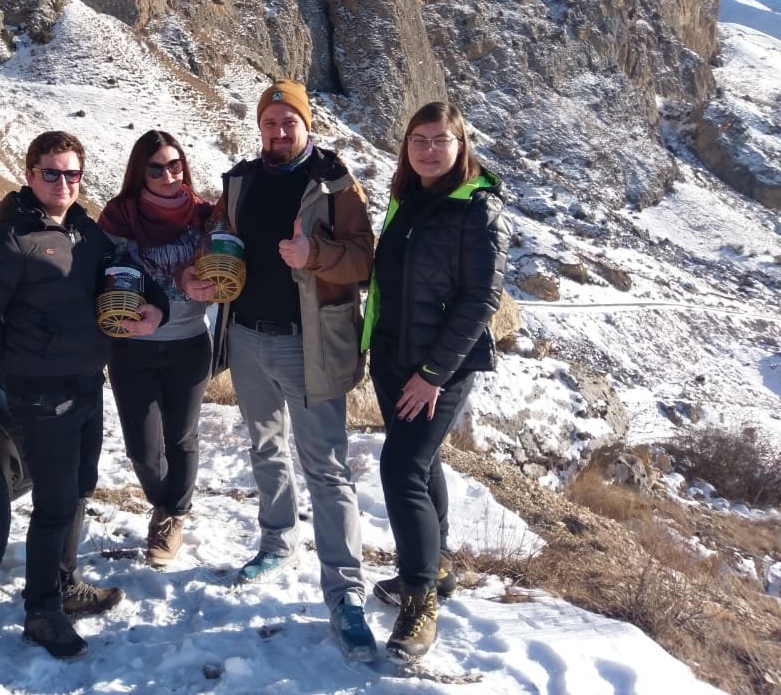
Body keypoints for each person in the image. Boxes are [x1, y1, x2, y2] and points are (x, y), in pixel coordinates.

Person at [182, 80, 379, 662]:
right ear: (259, 127)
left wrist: (314, 256)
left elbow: (366, 258)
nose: (278, 131)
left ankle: (345, 594)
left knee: (327, 469)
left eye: (289, 121)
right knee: (264, 446)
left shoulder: (335, 182)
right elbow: (217, 237)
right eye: (269, 122)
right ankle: (277, 541)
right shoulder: (240, 180)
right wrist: (202, 270)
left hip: (308, 343)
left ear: (306, 125)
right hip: (246, 337)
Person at [0, 131, 168, 661]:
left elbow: (125, 272)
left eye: (72, 173)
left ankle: (65, 585)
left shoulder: (83, 229)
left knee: (79, 489)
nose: (62, 183)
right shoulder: (11, 238)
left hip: (85, 381)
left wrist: (157, 306)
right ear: (30, 175)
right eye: (51, 173)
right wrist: (24, 366)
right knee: (54, 504)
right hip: (41, 391)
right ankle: (41, 612)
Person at [361, 101, 509, 661]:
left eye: (439, 140)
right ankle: (437, 564)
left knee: (401, 468)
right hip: (393, 356)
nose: (428, 150)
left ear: (460, 144)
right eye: (418, 140)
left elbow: (480, 301)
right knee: (423, 462)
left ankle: (419, 597)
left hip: (440, 368)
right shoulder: (407, 196)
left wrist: (431, 376)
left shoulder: (478, 207)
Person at [97, 131, 214, 567]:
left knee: (181, 436)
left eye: (175, 165)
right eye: (156, 168)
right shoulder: (118, 216)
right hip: (131, 347)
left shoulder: (206, 215)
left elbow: (226, 263)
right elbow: (105, 271)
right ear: (139, 172)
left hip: (189, 342)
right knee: (144, 452)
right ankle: (163, 501)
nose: (168, 175)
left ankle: (173, 515)